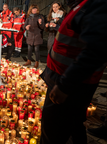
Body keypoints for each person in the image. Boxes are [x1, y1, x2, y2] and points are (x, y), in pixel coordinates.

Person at [40, 0, 107, 143]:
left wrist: (65, 85)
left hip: (69, 83)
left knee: (53, 131)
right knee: (74, 125)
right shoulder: (82, 4)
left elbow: (96, 50)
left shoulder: (96, 4)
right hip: (65, 79)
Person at [23, 4, 44, 68]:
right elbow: (24, 26)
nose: (34, 10)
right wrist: (26, 27)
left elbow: (43, 27)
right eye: (33, 8)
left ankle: (37, 62)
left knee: (36, 50)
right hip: (30, 36)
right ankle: (29, 61)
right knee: (29, 49)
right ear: (31, 10)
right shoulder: (29, 17)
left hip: (37, 36)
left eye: (35, 8)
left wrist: (40, 23)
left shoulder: (40, 17)